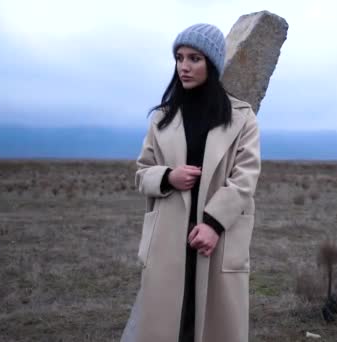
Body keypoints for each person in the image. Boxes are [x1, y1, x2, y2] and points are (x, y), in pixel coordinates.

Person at [121, 23, 261, 342]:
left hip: (215, 239)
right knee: (169, 326)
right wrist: (169, 176)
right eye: (180, 58)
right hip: (169, 239)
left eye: (194, 58)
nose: (184, 66)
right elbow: (143, 172)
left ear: (211, 64)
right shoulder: (162, 118)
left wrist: (213, 224)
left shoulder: (242, 117)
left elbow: (246, 176)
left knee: (212, 326)